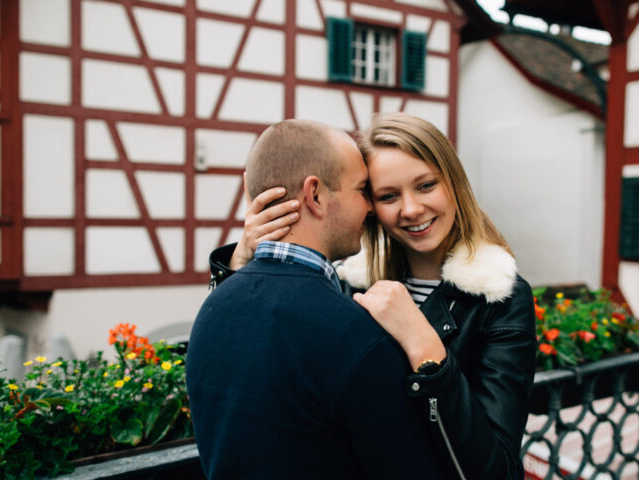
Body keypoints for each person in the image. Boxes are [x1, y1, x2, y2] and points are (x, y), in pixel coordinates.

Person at [210, 113, 537, 479]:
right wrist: (241, 262)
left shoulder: (498, 297)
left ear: (455, 184)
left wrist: (429, 354)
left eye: (426, 185)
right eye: (388, 195)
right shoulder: (349, 281)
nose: (411, 209)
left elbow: (499, 472)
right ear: (369, 205)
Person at [186, 119, 447, 480]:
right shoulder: (355, 333)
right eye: (361, 190)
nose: (370, 209)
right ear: (316, 195)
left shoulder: (212, 308)